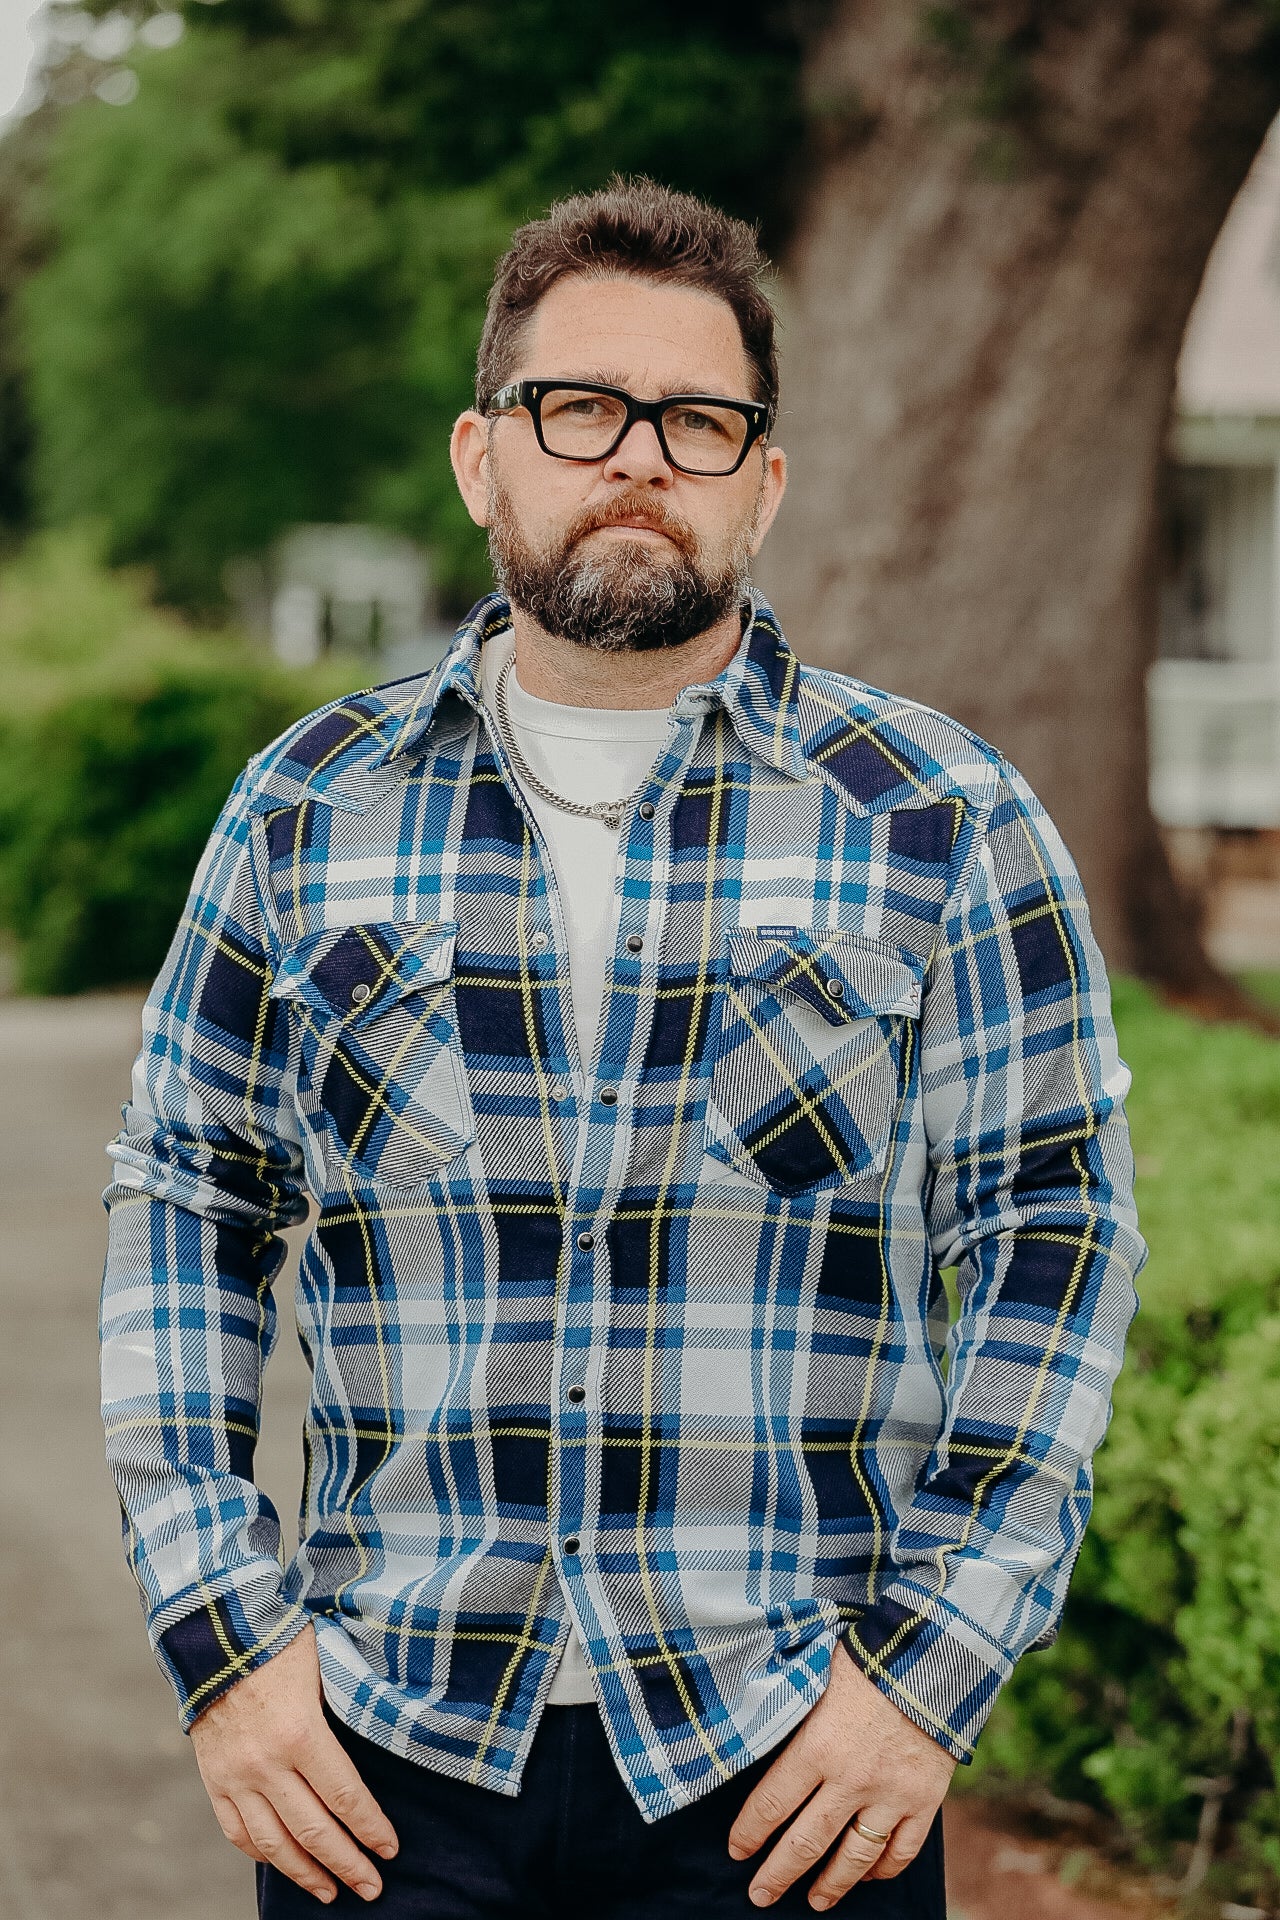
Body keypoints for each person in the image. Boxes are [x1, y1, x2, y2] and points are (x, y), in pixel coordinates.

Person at [101, 177, 1144, 1919]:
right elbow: (182, 1203)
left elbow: (1056, 1229)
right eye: (579, 408)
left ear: (767, 479)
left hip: (797, 1782)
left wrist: (926, 1681)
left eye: (699, 420)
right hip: (385, 1770)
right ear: (480, 455)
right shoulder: (305, 811)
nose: (639, 457)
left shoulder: (944, 819)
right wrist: (226, 1645)